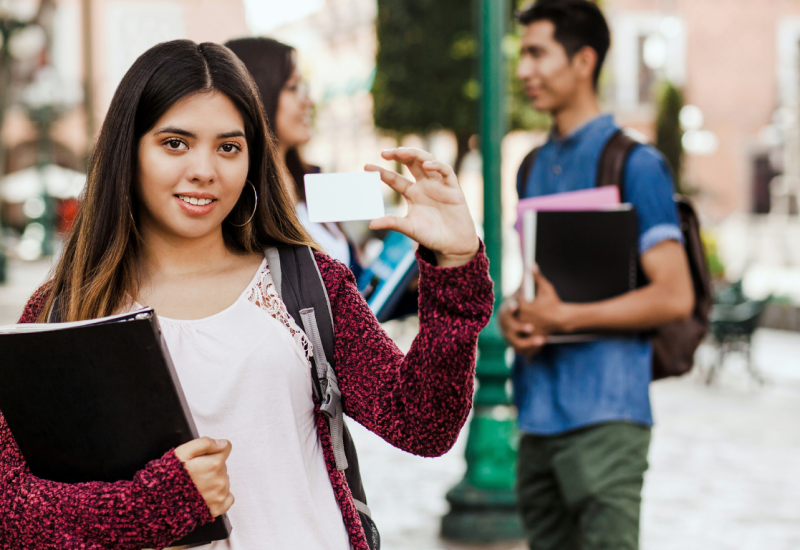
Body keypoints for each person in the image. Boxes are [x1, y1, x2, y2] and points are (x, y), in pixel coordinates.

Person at [1, 40, 492, 550]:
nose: (205, 170)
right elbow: (10, 509)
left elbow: (421, 424)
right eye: (175, 143)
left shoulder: (306, 281)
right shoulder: (63, 309)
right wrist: (152, 506)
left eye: (228, 147)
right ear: (129, 150)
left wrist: (454, 270)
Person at [500, 1, 694, 549]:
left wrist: (568, 317)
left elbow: (675, 295)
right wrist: (518, 316)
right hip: (536, 416)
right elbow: (533, 281)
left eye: (538, 53)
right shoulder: (532, 166)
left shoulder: (637, 163)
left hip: (608, 416)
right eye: (522, 55)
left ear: (584, 60)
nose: (523, 71)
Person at [224, 37, 358, 272]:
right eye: (293, 87)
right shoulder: (238, 203)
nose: (309, 102)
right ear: (258, 93)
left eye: (305, 87)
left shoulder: (314, 180)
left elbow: (356, 271)